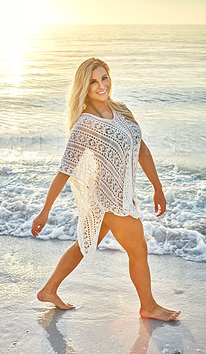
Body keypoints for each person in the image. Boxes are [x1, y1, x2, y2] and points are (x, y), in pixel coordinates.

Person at [31, 57, 181, 321]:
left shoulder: (121, 110)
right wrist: (45, 212)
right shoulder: (85, 123)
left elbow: (141, 149)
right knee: (138, 248)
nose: (101, 85)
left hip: (122, 193)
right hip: (105, 197)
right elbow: (65, 170)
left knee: (84, 244)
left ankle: (49, 289)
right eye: (93, 82)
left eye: (104, 78)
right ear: (84, 87)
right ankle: (148, 306)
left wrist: (157, 187)